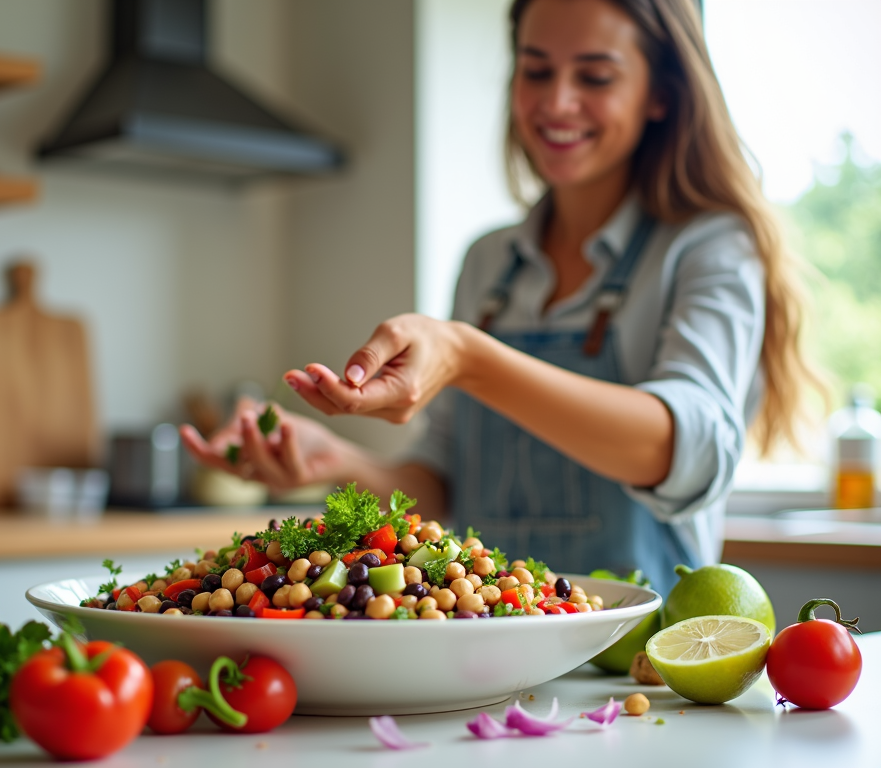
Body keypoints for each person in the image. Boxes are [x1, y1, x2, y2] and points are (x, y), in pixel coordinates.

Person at [180, 0, 816, 594]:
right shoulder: (490, 262)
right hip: (492, 653)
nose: (558, 102)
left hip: (645, 663)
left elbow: (684, 450)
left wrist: (470, 357)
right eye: (536, 71)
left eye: (595, 77)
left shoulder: (708, 247)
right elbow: (449, 485)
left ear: (660, 95)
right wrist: (338, 462)